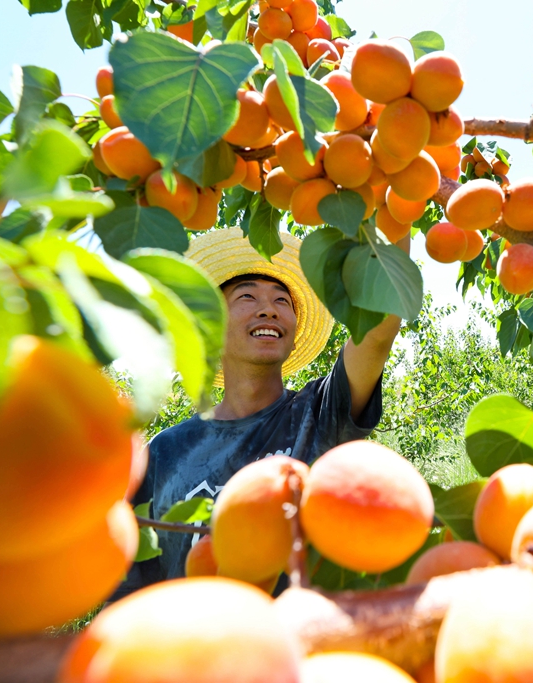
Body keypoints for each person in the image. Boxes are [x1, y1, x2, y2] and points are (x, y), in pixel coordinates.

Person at [117, 228, 406, 595]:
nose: (268, 309)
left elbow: (377, 332)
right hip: (192, 630)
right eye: (247, 296)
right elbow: (132, 581)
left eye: (282, 301)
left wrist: (397, 209)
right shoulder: (165, 452)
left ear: (294, 335)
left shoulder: (320, 413)